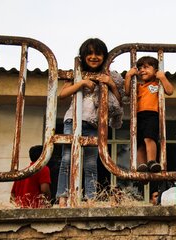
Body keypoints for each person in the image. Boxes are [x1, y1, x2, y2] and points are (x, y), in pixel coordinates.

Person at [56, 38, 125, 207]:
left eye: (98, 53)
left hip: (95, 124)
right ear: (83, 56)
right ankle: (63, 197)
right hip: (72, 121)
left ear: (105, 56)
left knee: (90, 162)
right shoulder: (77, 73)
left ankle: (91, 198)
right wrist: (81, 83)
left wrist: (111, 85)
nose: (94, 57)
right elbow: (62, 93)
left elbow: (119, 102)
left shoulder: (109, 76)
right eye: (90, 53)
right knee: (67, 159)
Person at [125, 56, 174, 172]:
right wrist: (128, 76)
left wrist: (162, 77)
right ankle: (142, 164)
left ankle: (151, 161)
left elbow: (170, 91)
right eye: (140, 68)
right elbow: (127, 92)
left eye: (146, 67)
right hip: (138, 116)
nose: (142, 70)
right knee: (140, 142)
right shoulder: (137, 86)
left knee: (149, 138)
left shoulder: (158, 85)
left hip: (152, 114)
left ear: (156, 70)